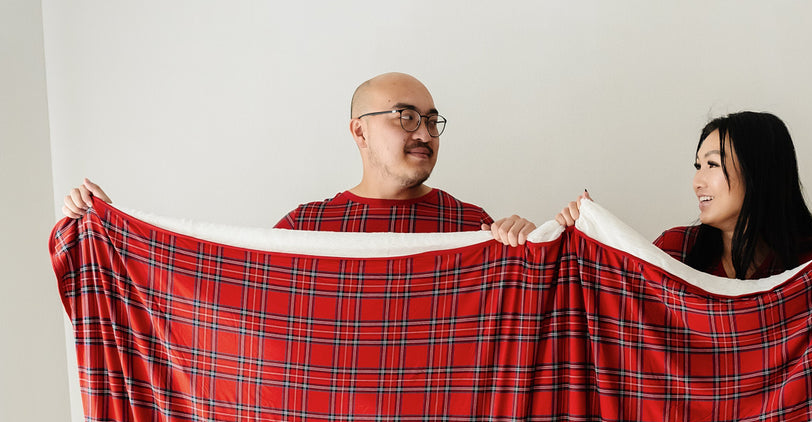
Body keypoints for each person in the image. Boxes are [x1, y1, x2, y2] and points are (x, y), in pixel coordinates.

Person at [62, 72, 534, 246]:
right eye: (404, 116)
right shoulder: (306, 229)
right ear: (359, 131)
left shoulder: (473, 228)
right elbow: (226, 300)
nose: (424, 132)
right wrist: (114, 229)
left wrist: (537, 249)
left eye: (432, 121)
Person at [557, 111, 812, 279]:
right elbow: (612, 302)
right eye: (698, 166)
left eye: (712, 165)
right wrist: (564, 242)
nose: (697, 182)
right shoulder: (674, 251)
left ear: (758, 172)